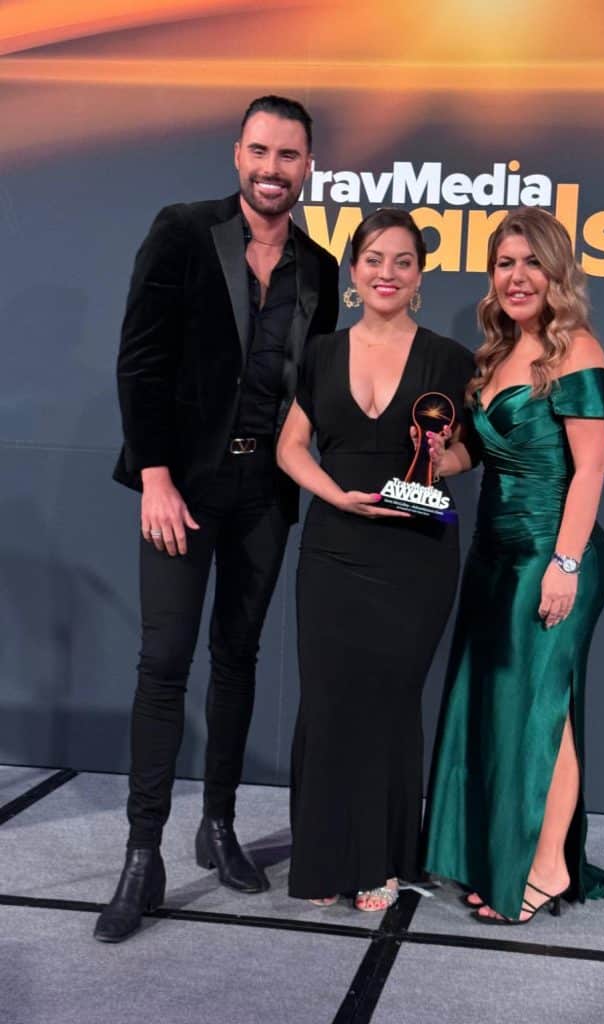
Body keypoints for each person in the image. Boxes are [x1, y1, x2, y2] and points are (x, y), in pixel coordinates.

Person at [94, 96, 339, 943]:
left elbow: (315, 396)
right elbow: (140, 360)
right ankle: (142, 854)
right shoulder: (182, 230)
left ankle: (220, 826)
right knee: (163, 665)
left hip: (265, 497)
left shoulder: (320, 265)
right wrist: (155, 476)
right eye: (260, 152)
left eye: (290, 155)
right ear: (238, 154)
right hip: (182, 491)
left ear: (309, 165)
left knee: (237, 660)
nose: (273, 170)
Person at [424, 207, 604, 923]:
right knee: (500, 709)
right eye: (504, 264)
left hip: (552, 553)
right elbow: (471, 457)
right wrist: (429, 455)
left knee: (546, 710)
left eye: (530, 263)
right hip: (491, 556)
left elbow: (593, 466)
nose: (516, 277)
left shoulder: (577, 351)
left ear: (556, 271)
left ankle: (542, 869)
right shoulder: (492, 356)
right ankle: (497, 855)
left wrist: (564, 564)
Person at [276, 209, 474, 911]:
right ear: (353, 271)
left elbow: (467, 447)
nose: (386, 273)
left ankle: (380, 859)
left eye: (402, 261)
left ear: (419, 276)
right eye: (373, 259)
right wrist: (336, 495)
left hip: (414, 553)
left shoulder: (448, 356)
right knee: (329, 701)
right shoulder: (323, 351)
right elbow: (290, 445)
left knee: (389, 705)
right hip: (333, 546)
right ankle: (325, 859)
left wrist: (437, 460)